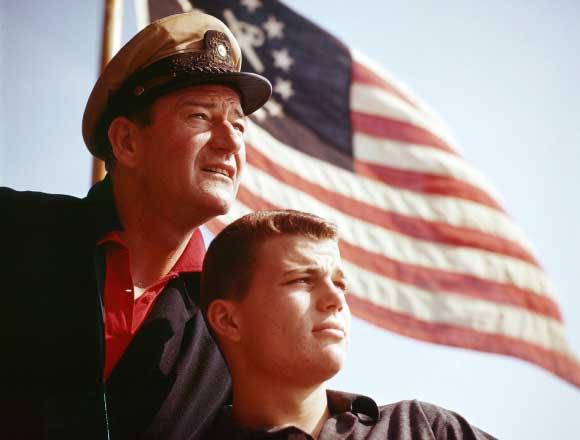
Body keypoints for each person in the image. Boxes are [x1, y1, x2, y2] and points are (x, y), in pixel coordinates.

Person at [0, 11, 271, 440]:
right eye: (200, 116)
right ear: (126, 141)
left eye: (238, 124)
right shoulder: (13, 230)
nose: (230, 140)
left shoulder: (235, 328)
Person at [200, 210, 496, 440]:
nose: (335, 298)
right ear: (228, 320)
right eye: (302, 280)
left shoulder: (423, 429)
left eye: (340, 284)